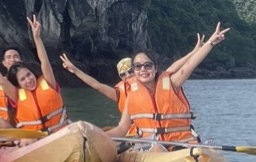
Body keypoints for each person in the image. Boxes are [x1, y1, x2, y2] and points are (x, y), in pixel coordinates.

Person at [107, 22, 230, 143]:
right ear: (134, 70)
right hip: (149, 148)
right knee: (155, 148)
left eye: (147, 65)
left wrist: (211, 43)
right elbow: (122, 128)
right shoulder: (132, 96)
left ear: (155, 68)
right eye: (138, 66)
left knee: (157, 148)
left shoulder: (171, 83)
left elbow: (189, 66)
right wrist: (99, 135)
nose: (143, 69)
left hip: (180, 145)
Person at [0, 15, 68, 134]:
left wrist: (37, 38)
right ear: (18, 84)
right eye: (23, 79)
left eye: (29, 75)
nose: (28, 80)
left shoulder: (48, 82)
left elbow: (44, 61)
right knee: (3, 126)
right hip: (35, 137)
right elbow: (2, 80)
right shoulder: (16, 94)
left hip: (59, 132)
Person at [61, 34, 206, 112]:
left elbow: (175, 68)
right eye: (123, 74)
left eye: (130, 71)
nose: (127, 76)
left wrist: (194, 52)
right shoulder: (121, 92)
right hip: (138, 136)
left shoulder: (155, 81)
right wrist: (75, 70)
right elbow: (97, 85)